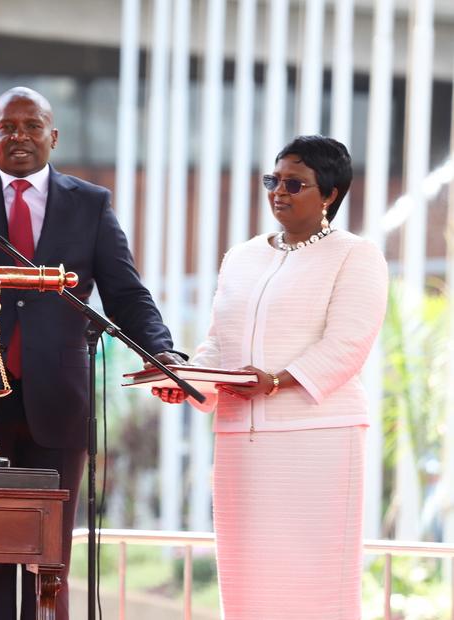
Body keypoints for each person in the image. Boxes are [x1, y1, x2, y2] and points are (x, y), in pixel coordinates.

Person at [0, 86, 183, 619]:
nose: (20, 136)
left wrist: (162, 352)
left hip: (58, 402)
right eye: (8, 127)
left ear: (53, 136)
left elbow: (126, 294)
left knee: (48, 563)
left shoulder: (89, 203)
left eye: (32, 126)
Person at [153, 135, 388, 619]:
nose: (278, 192)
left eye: (294, 184)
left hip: (318, 438)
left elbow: (348, 344)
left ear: (330, 194)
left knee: (315, 581)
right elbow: (220, 343)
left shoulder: (355, 255)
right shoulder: (242, 256)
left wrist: (277, 381)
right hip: (241, 443)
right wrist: (189, 381)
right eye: (272, 180)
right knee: (248, 581)